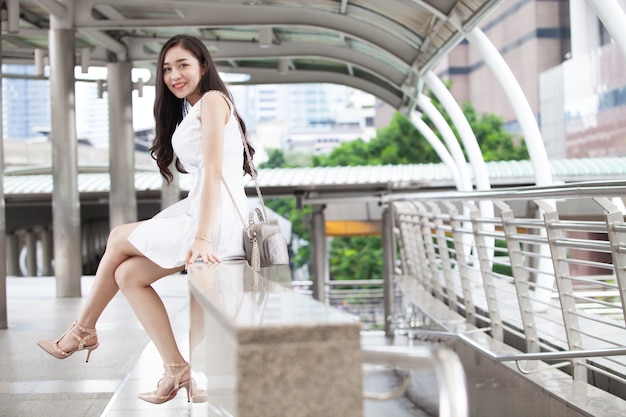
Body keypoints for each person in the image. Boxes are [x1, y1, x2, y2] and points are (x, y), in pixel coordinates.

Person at [37, 34, 254, 404]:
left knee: (120, 236)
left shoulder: (214, 101)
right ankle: (175, 368)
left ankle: (82, 330)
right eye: (167, 69)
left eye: (183, 65)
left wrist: (202, 237)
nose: (174, 75)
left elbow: (215, 168)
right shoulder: (193, 107)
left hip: (213, 219)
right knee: (128, 275)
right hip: (202, 209)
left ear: (203, 65)